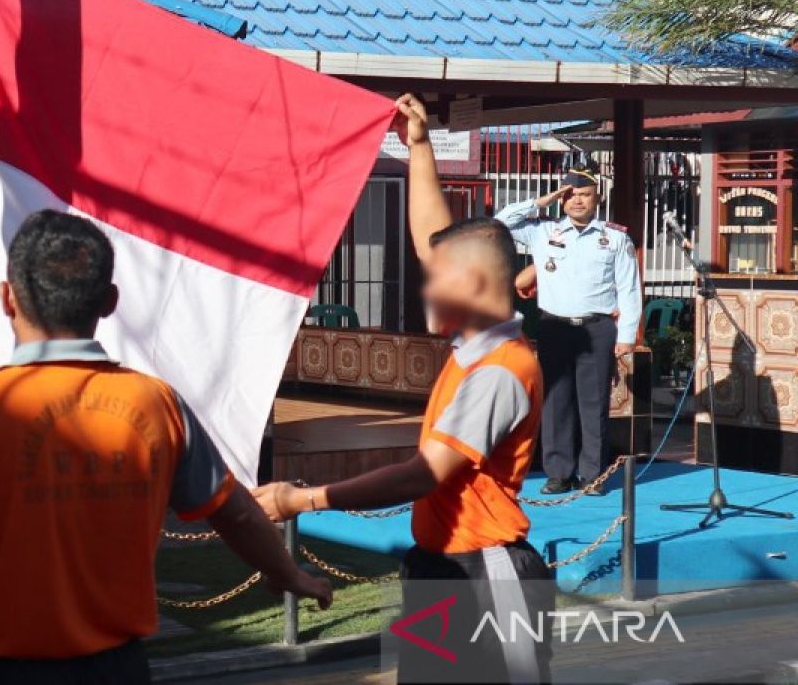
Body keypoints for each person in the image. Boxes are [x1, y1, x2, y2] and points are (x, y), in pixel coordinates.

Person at [0, 209, 331, 685]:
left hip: (0, 671)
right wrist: (289, 574)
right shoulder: (157, 403)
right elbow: (236, 512)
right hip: (116, 669)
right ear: (109, 301)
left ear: (7, 298)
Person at [253, 95, 551, 684]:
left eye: (436, 282)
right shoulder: (477, 346)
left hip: (485, 572)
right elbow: (433, 242)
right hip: (443, 567)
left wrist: (303, 500)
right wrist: (416, 146)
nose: (426, 290)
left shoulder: (499, 369)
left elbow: (424, 473)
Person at [494, 168, 642, 495]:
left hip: (596, 328)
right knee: (555, 402)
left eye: (585, 194)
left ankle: (593, 475)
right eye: (570, 195)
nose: (577, 200)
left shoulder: (615, 238)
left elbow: (629, 289)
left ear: (597, 199)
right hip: (554, 326)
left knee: (593, 404)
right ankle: (558, 472)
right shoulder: (542, 231)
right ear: (562, 199)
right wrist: (540, 201)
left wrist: (627, 335)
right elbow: (500, 222)